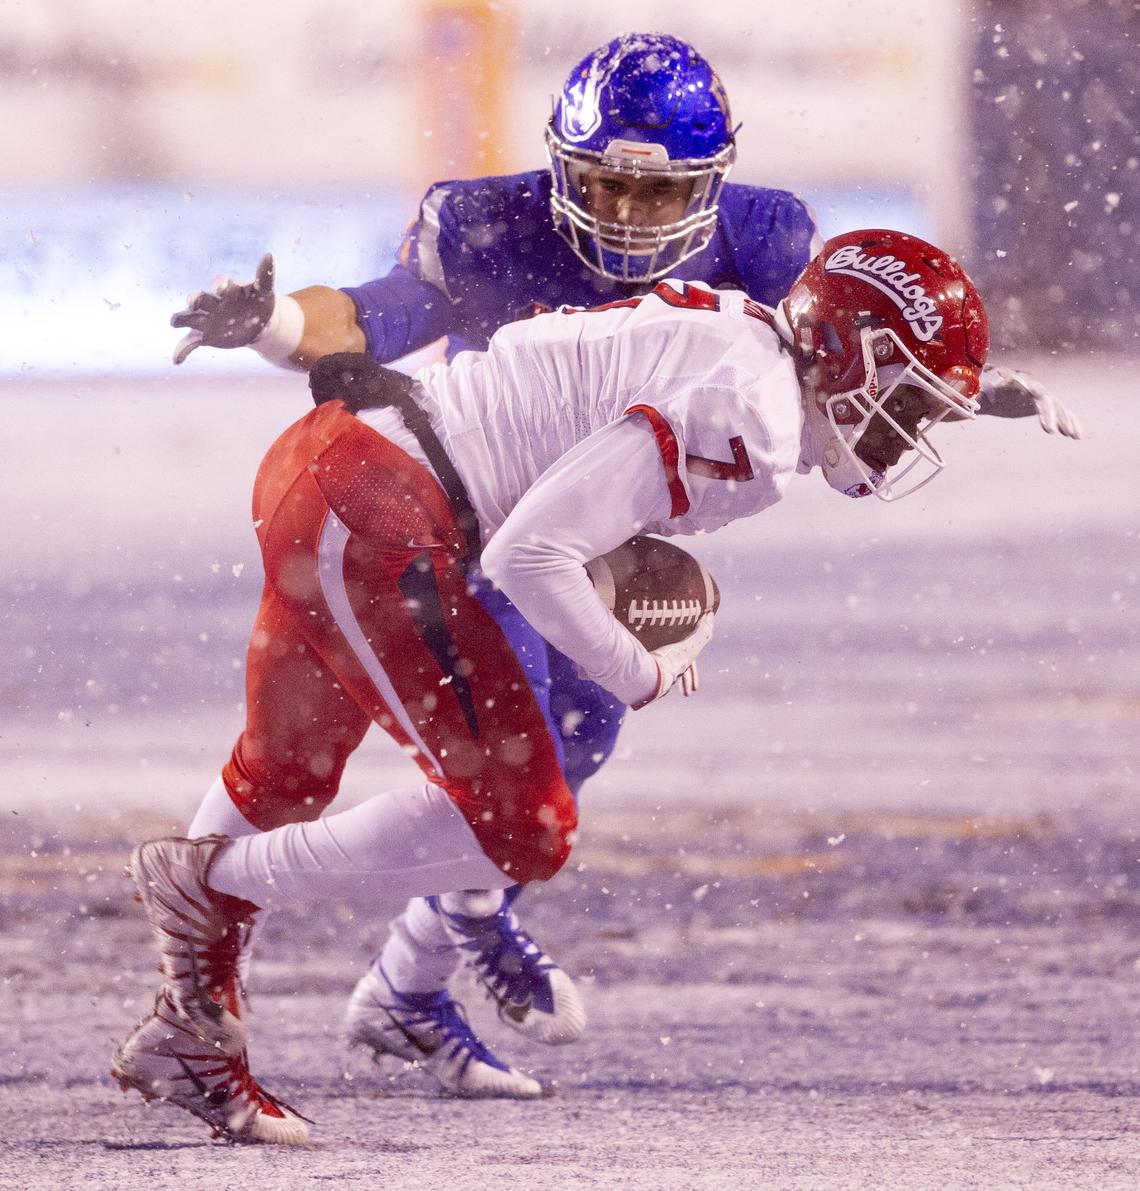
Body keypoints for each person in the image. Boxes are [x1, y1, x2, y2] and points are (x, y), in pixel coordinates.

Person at [165, 33, 1082, 1099]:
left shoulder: (767, 240)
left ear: (717, 183)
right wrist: (281, 322)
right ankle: (264, 904)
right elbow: (377, 313)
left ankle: (412, 968)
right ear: (562, 168)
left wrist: (965, 387)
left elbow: (845, 344)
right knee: (514, 787)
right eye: (607, 186)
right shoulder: (489, 223)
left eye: (665, 196)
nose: (634, 219)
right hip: (470, 513)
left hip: (581, 514)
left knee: (572, 743)